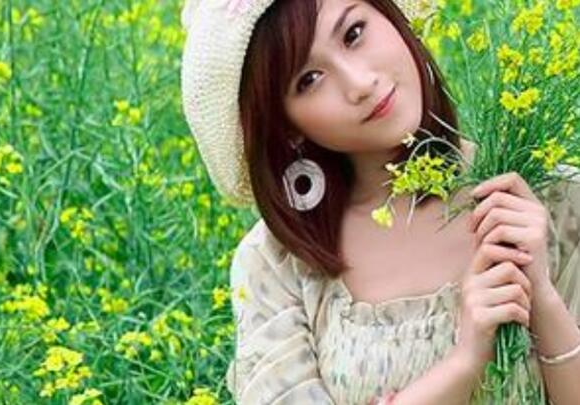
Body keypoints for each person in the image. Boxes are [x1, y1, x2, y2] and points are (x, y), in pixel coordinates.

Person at [179, 0, 580, 403]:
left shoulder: (549, 197)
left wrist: (542, 298)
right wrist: (464, 363)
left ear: (393, 17)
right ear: (287, 127)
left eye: (354, 34)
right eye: (310, 79)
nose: (359, 83)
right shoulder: (276, 264)